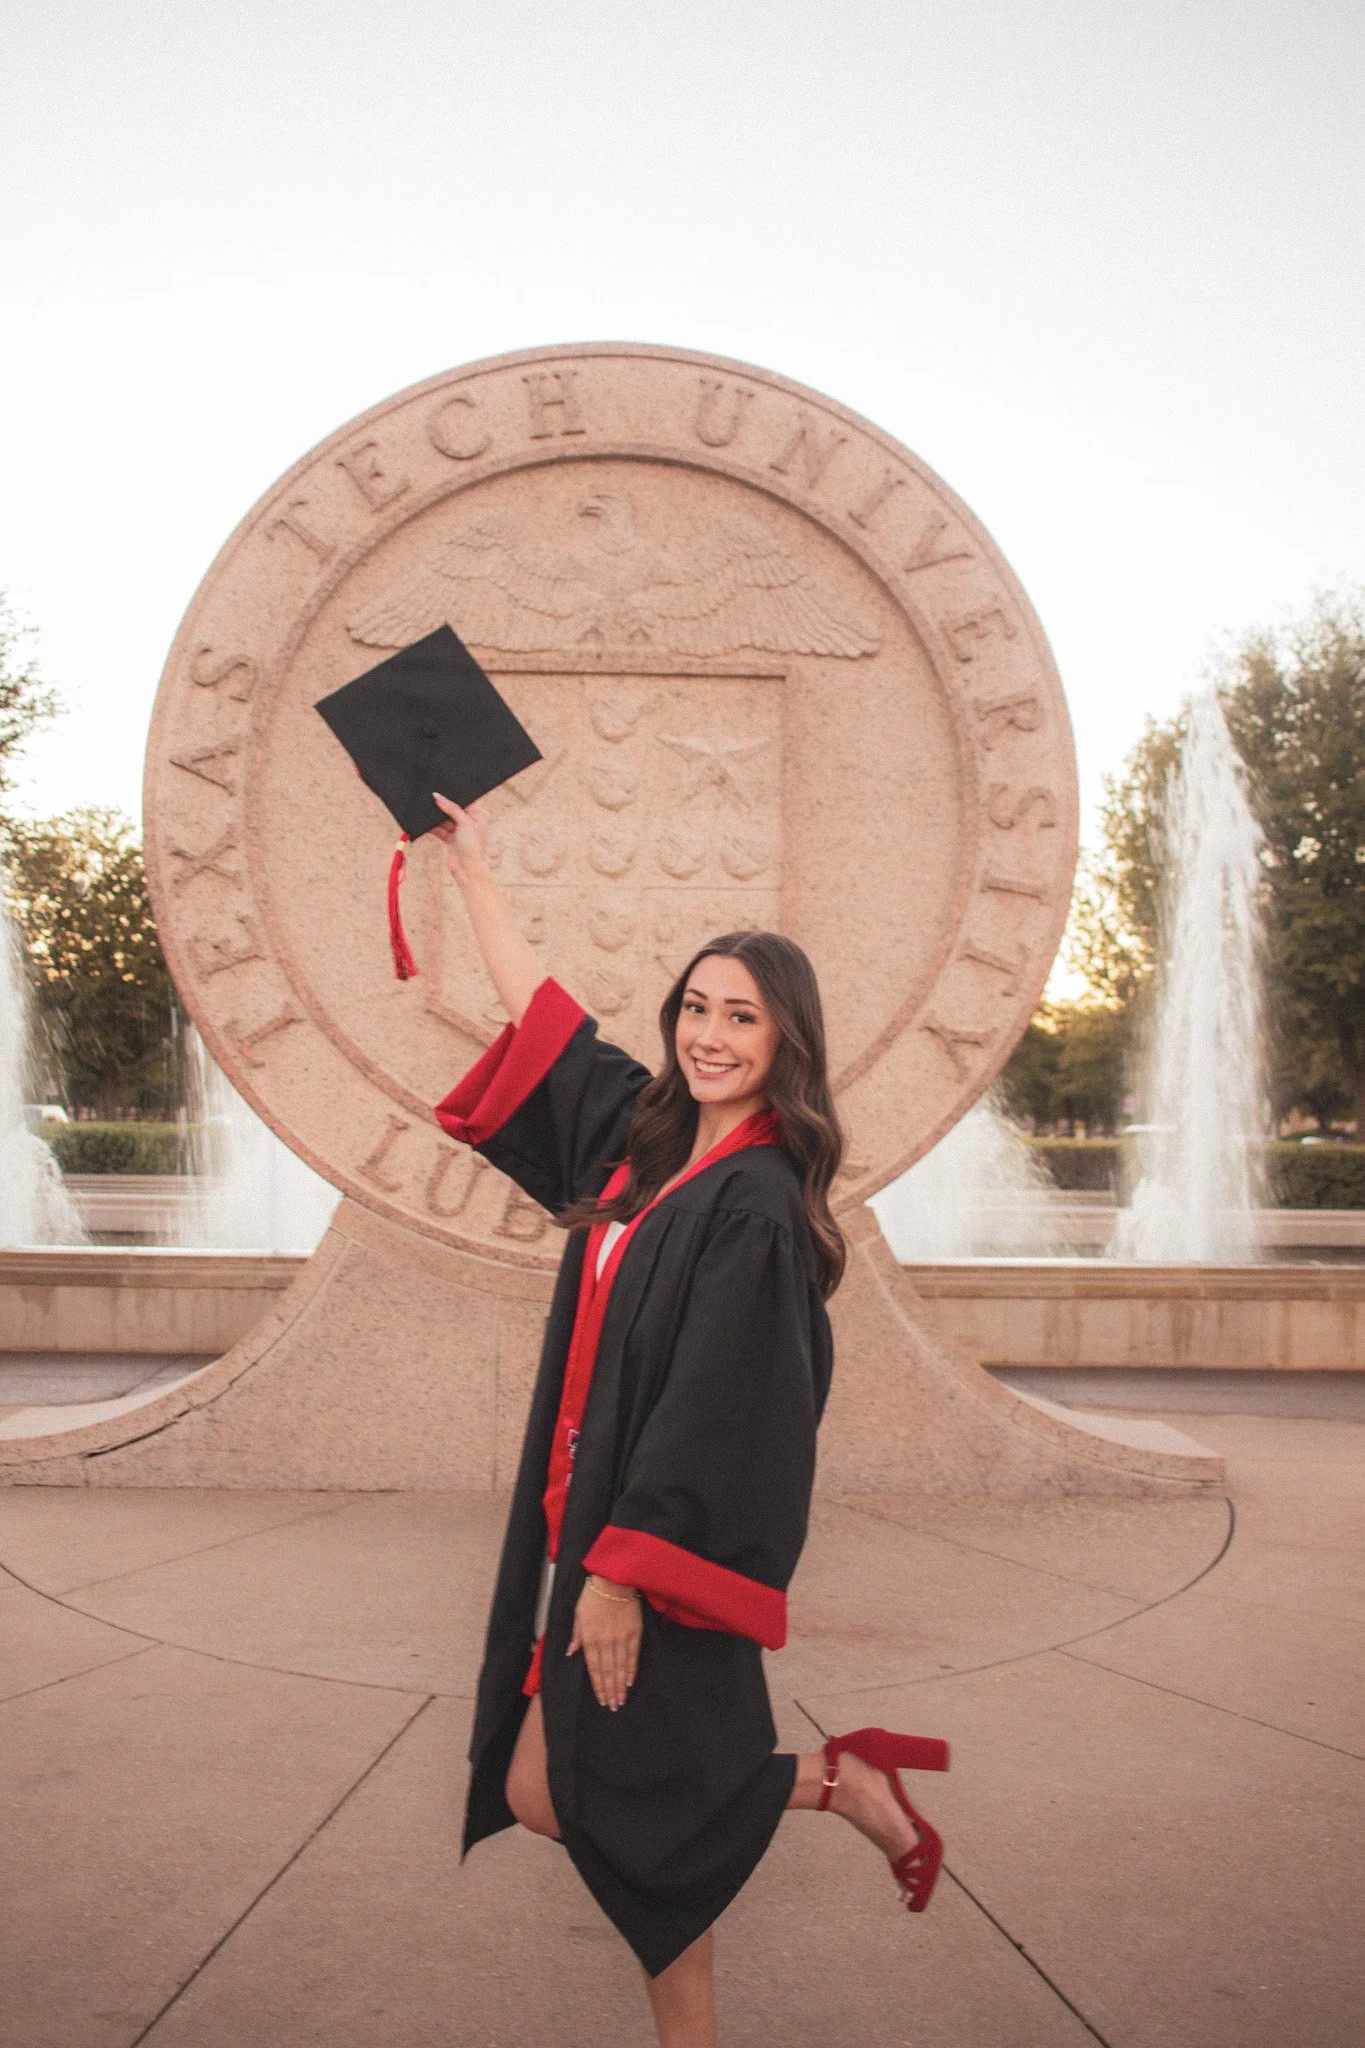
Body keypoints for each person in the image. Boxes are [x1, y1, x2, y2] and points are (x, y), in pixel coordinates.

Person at [432, 792, 949, 2048]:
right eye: (696, 1008)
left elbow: (728, 1409)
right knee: (576, 1793)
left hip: (651, 1559)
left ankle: (832, 1792)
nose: (710, 1035)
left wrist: (621, 1573)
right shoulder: (645, 1139)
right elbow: (542, 1025)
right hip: (593, 1529)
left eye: (743, 1016)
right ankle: (838, 1787)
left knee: (583, 1795)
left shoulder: (761, 1205)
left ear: (787, 1042)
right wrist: (474, 871)